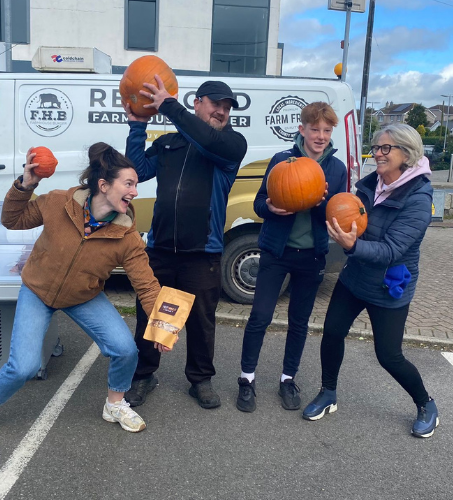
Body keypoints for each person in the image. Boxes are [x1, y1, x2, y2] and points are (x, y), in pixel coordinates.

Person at [0, 143, 163, 445]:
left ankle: (115, 404)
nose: (134, 191)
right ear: (104, 186)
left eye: (135, 185)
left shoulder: (126, 235)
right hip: (37, 291)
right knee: (23, 367)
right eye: (129, 184)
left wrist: (162, 326)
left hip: (84, 297)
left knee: (125, 349)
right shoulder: (58, 202)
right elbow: (12, 220)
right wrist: (26, 185)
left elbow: (146, 284)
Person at [303, 123, 439, 438]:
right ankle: (328, 393)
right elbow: (351, 216)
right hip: (356, 278)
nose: (377, 153)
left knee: (388, 355)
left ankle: (426, 403)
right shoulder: (371, 184)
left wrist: (352, 246)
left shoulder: (418, 198)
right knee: (332, 332)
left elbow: (392, 249)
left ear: (407, 152)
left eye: (385, 148)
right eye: (376, 147)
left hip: (389, 286)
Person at [123, 77, 247, 409]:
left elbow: (206, 138)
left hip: (202, 252)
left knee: (201, 320)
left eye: (226, 107)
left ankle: (200, 380)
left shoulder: (231, 145)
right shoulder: (168, 144)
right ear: (197, 103)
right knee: (151, 315)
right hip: (161, 248)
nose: (221, 111)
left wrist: (167, 105)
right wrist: (137, 126)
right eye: (215, 104)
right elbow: (136, 170)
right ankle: (144, 375)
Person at [236, 102, 347, 413]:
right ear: (302, 130)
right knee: (260, 317)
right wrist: (270, 208)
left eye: (327, 130)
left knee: (299, 322)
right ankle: (246, 379)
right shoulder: (281, 161)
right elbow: (259, 203)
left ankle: (288, 379)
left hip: (312, 256)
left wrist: (321, 204)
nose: (321, 136)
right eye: (315, 129)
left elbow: (339, 214)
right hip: (276, 251)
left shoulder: (337, 170)